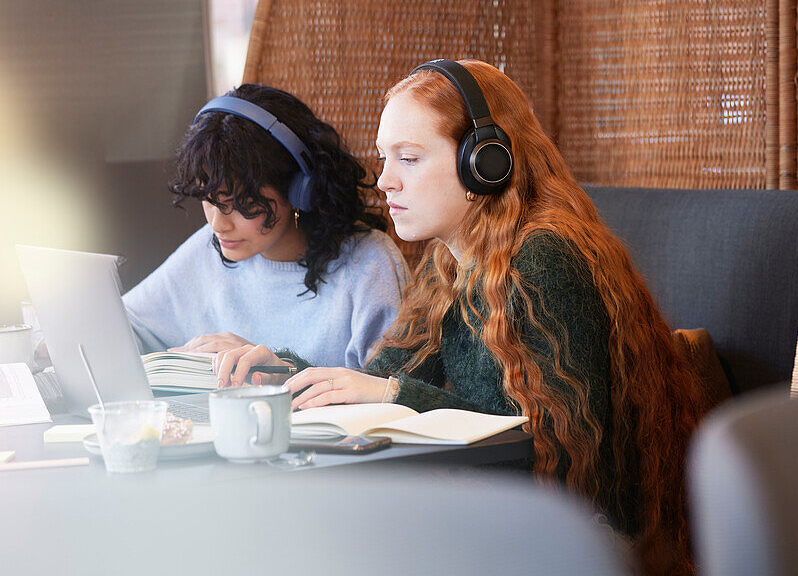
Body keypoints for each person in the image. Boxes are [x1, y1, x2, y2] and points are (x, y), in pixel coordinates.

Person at [223, 60, 704, 574]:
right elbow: (385, 380)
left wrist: (395, 397)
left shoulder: (544, 257)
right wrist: (285, 371)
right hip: (502, 519)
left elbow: (551, 451)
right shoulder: (453, 260)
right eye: (386, 158)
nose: (385, 181)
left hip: (574, 542)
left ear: (484, 162)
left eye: (409, 158)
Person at [123, 83, 408, 370]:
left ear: (299, 190)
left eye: (239, 204)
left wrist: (281, 372)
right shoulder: (208, 248)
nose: (218, 224)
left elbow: (398, 394)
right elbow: (123, 324)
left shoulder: (369, 264)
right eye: (209, 200)